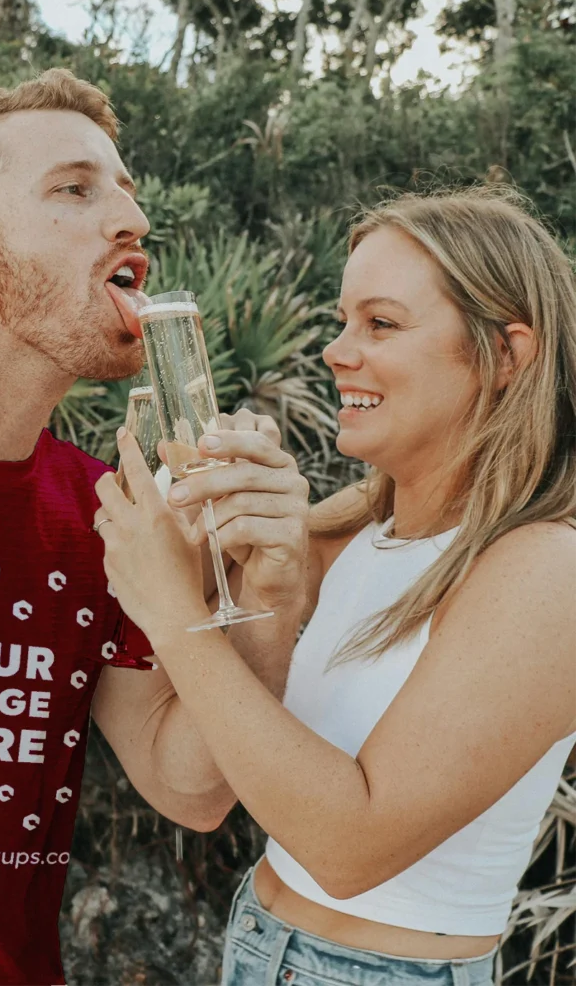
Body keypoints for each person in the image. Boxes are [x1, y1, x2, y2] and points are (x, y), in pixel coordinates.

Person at [0, 69, 309, 986]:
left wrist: (272, 591)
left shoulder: (108, 513)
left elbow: (189, 788)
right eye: (75, 190)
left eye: (126, 190)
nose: (131, 220)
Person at [96, 188, 576, 986]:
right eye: (344, 319)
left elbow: (351, 847)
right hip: (257, 936)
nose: (336, 351)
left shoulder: (546, 568)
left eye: (380, 323)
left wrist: (175, 612)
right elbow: (196, 775)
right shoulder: (356, 524)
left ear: (507, 356)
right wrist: (250, 568)